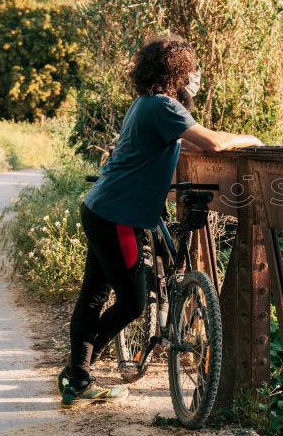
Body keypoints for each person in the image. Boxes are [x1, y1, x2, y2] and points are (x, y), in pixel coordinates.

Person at [58, 34, 262, 408]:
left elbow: (175, 143)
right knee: (133, 304)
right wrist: (249, 138)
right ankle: (77, 374)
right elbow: (213, 144)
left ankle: (77, 374)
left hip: (102, 207)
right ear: (179, 72)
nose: (195, 76)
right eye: (192, 69)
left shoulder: (145, 104)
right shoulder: (166, 107)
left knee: (95, 296)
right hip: (118, 215)